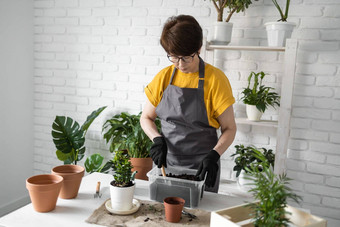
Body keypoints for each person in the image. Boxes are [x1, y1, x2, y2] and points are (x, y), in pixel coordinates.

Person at [140, 15, 236, 193]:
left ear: (199, 49)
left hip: (202, 166)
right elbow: (146, 117)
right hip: (167, 164)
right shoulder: (164, 77)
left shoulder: (216, 79)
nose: (180, 64)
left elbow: (230, 128)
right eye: (174, 57)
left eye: (186, 57)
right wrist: (157, 139)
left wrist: (214, 155)